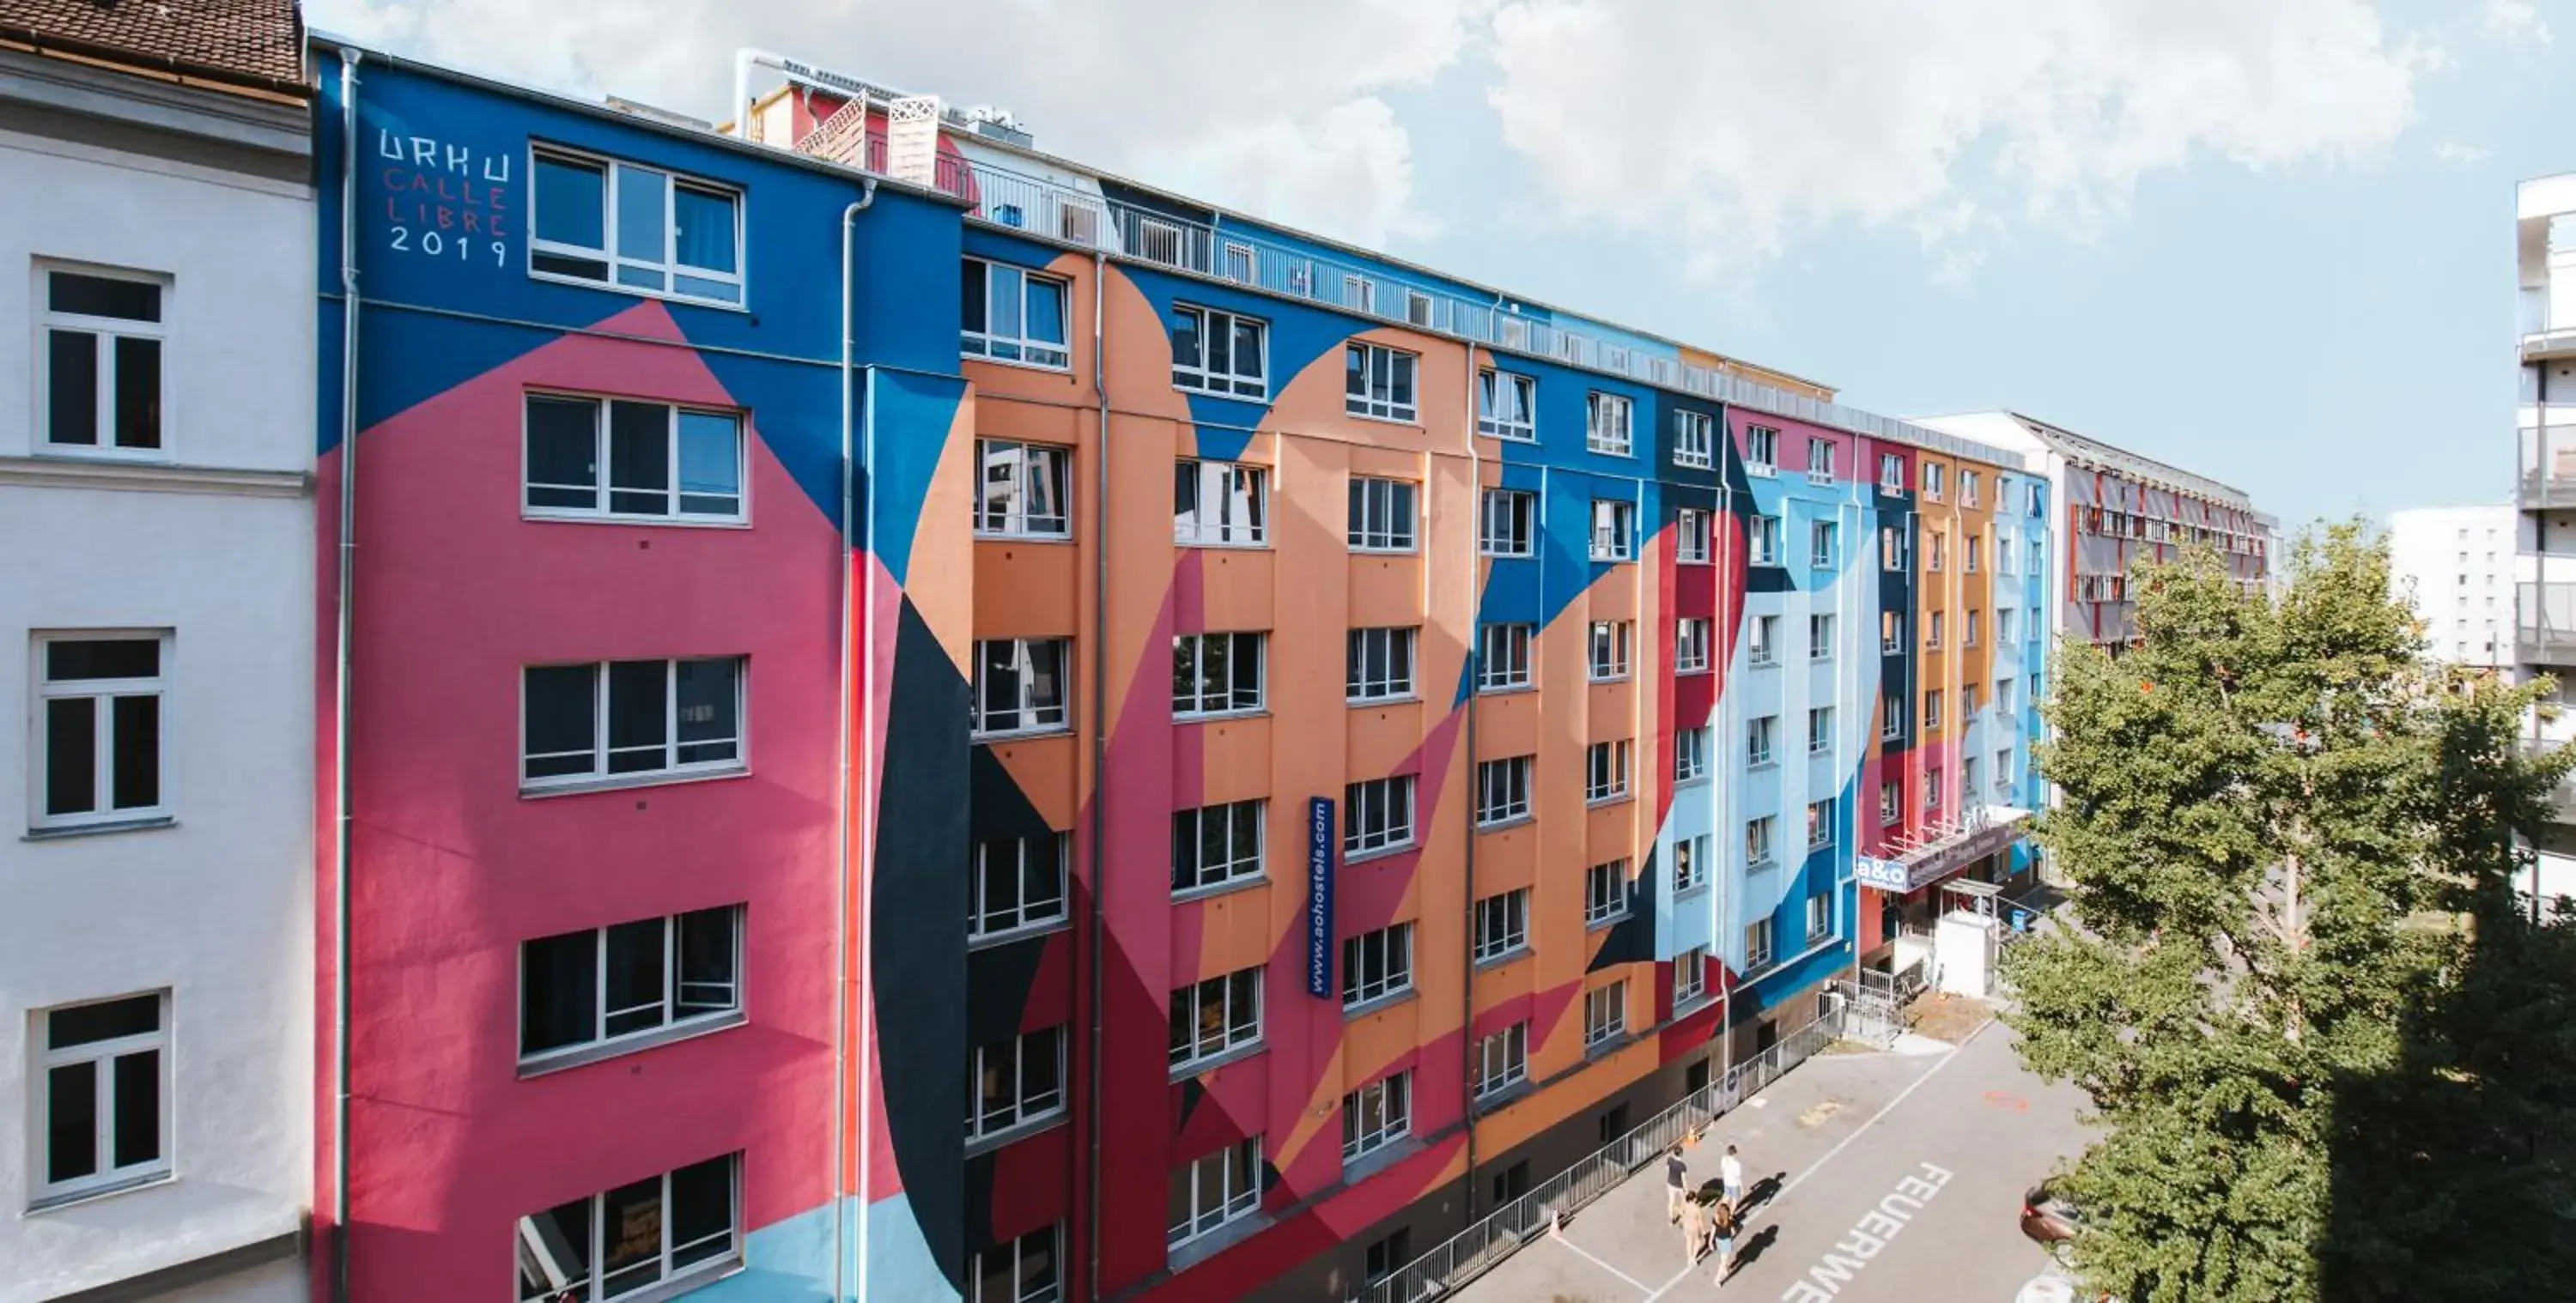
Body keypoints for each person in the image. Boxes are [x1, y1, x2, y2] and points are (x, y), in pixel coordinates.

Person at [1709, 1197, 1739, 1286]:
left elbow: (1713, 1230)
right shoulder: (1729, 1222)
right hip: (1726, 1241)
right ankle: (1717, 1279)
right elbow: (1733, 1232)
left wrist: (1710, 1241)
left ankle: (1725, 1268)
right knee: (1723, 1261)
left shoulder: (1716, 1219)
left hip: (1718, 1240)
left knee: (1723, 1256)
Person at [1680, 1190, 1708, 1266]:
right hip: (1695, 1228)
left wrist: (1682, 1222)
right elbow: (1700, 1221)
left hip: (1687, 1227)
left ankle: (1689, 1258)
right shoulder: (1697, 1209)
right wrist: (1703, 1231)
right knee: (1698, 1242)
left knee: (1689, 1242)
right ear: (1694, 1199)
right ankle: (1693, 1257)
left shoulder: (1685, 1205)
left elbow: (1681, 1213)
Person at [1665, 1143, 1690, 1223]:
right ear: (1681, 1154)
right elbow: (1683, 1179)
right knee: (1684, 1199)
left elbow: (1667, 1170)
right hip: (1679, 1186)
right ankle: (1682, 1212)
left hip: (1670, 1183)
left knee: (1671, 1201)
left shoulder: (1670, 1160)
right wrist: (1687, 1190)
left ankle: (1671, 1218)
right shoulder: (1682, 1166)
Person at [1720, 1142, 1745, 1212]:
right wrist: (1741, 1189)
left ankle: (1721, 1211)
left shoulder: (1724, 1159)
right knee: (1734, 1200)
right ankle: (1730, 1214)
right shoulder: (1737, 1164)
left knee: (1726, 1197)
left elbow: (1722, 1169)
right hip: (1734, 1184)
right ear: (1734, 1153)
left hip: (1726, 1182)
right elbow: (1738, 1177)